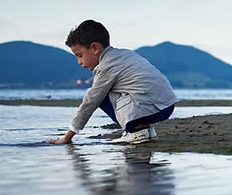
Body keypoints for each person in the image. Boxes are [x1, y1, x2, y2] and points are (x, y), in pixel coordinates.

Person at [49, 20, 178, 145]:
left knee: (99, 96)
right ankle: (145, 129)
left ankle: (136, 131)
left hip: (151, 107)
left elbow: (91, 101)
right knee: (112, 91)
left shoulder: (106, 66)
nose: (79, 62)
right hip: (167, 105)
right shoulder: (125, 54)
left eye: (79, 55)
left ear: (94, 48)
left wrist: (68, 136)